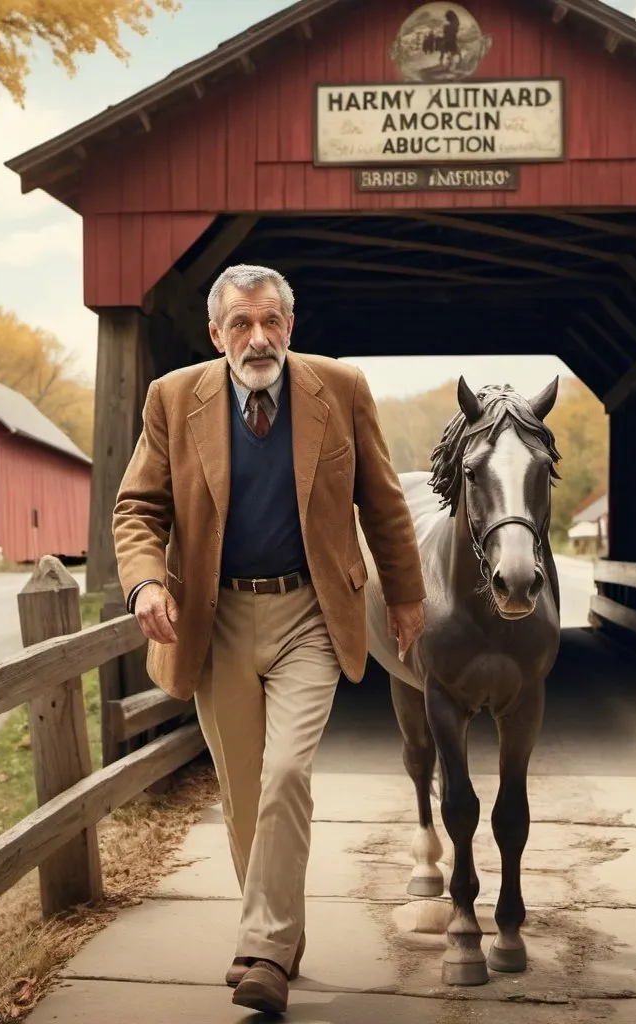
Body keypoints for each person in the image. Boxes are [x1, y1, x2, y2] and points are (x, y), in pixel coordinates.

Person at [112, 264, 426, 1015]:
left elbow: (383, 502)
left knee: (287, 772)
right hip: (213, 619)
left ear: (291, 325)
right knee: (245, 790)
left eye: (271, 322)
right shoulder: (173, 398)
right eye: (242, 324)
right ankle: (280, 938)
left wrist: (408, 595)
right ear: (215, 333)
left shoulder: (339, 390)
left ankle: (263, 949)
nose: (259, 338)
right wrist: (147, 582)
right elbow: (137, 508)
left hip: (310, 615)